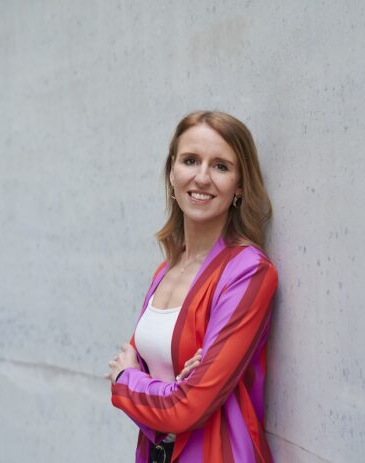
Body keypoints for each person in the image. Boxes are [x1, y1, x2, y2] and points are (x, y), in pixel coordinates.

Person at [106, 110, 278, 463]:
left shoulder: (248, 272)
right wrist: (168, 389)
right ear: (172, 172)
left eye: (220, 166)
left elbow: (186, 407)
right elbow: (168, 394)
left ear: (240, 185)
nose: (202, 178)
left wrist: (127, 379)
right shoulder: (165, 269)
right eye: (190, 160)